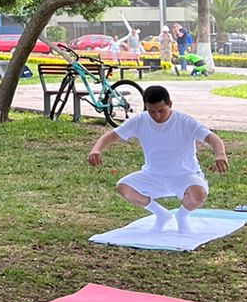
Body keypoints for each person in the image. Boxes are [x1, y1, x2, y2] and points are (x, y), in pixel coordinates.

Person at [87, 83, 228, 232]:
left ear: (170, 104)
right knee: (124, 187)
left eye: (161, 111)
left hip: (185, 175)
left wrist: (220, 154)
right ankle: (161, 214)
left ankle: (182, 215)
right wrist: (96, 149)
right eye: (152, 111)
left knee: (199, 195)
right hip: (153, 175)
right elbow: (112, 135)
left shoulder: (185, 121)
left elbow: (213, 138)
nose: (157, 116)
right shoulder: (140, 120)